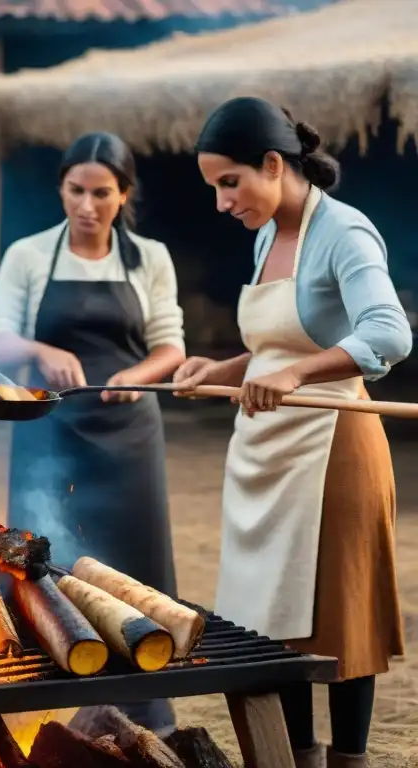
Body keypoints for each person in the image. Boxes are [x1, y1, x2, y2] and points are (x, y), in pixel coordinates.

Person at [175, 97, 410, 768]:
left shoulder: (344, 232)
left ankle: (348, 760)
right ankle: (293, 757)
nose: (223, 202)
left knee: (339, 625)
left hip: (331, 447)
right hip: (265, 455)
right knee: (274, 625)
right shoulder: (264, 233)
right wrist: (219, 367)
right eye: (215, 187)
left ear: (274, 164)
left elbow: (388, 333)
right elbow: (277, 346)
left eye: (230, 182)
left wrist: (302, 374)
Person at [0, 132, 186, 734]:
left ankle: (146, 711)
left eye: (102, 193)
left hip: (130, 436)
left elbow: (170, 345)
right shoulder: (29, 254)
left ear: (123, 195)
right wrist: (41, 349)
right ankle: (44, 704)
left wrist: (137, 375)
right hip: (51, 435)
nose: (88, 206)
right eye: (77, 190)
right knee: (46, 569)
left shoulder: (149, 257)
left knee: (137, 569)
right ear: (61, 189)